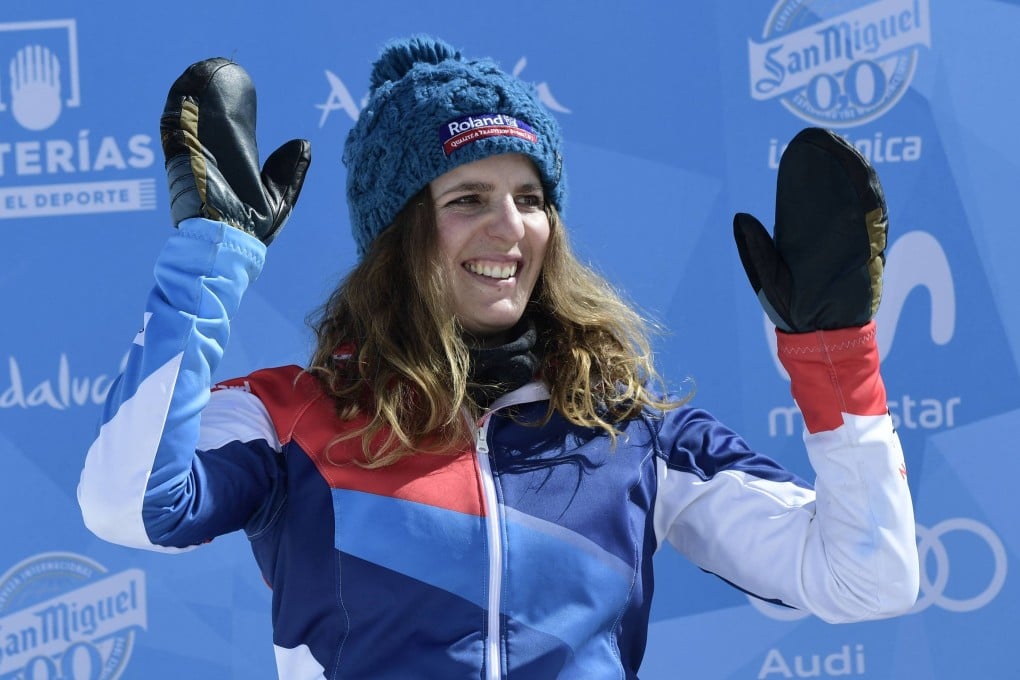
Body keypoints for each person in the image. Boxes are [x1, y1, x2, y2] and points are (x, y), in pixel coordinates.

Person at [78, 34, 919, 680]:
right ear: (400, 236)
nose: (509, 227)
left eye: (530, 198)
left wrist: (833, 360)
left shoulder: (625, 430)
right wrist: (210, 261)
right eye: (468, 199)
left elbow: (866, 578)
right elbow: (127, 505)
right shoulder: (293, 412)